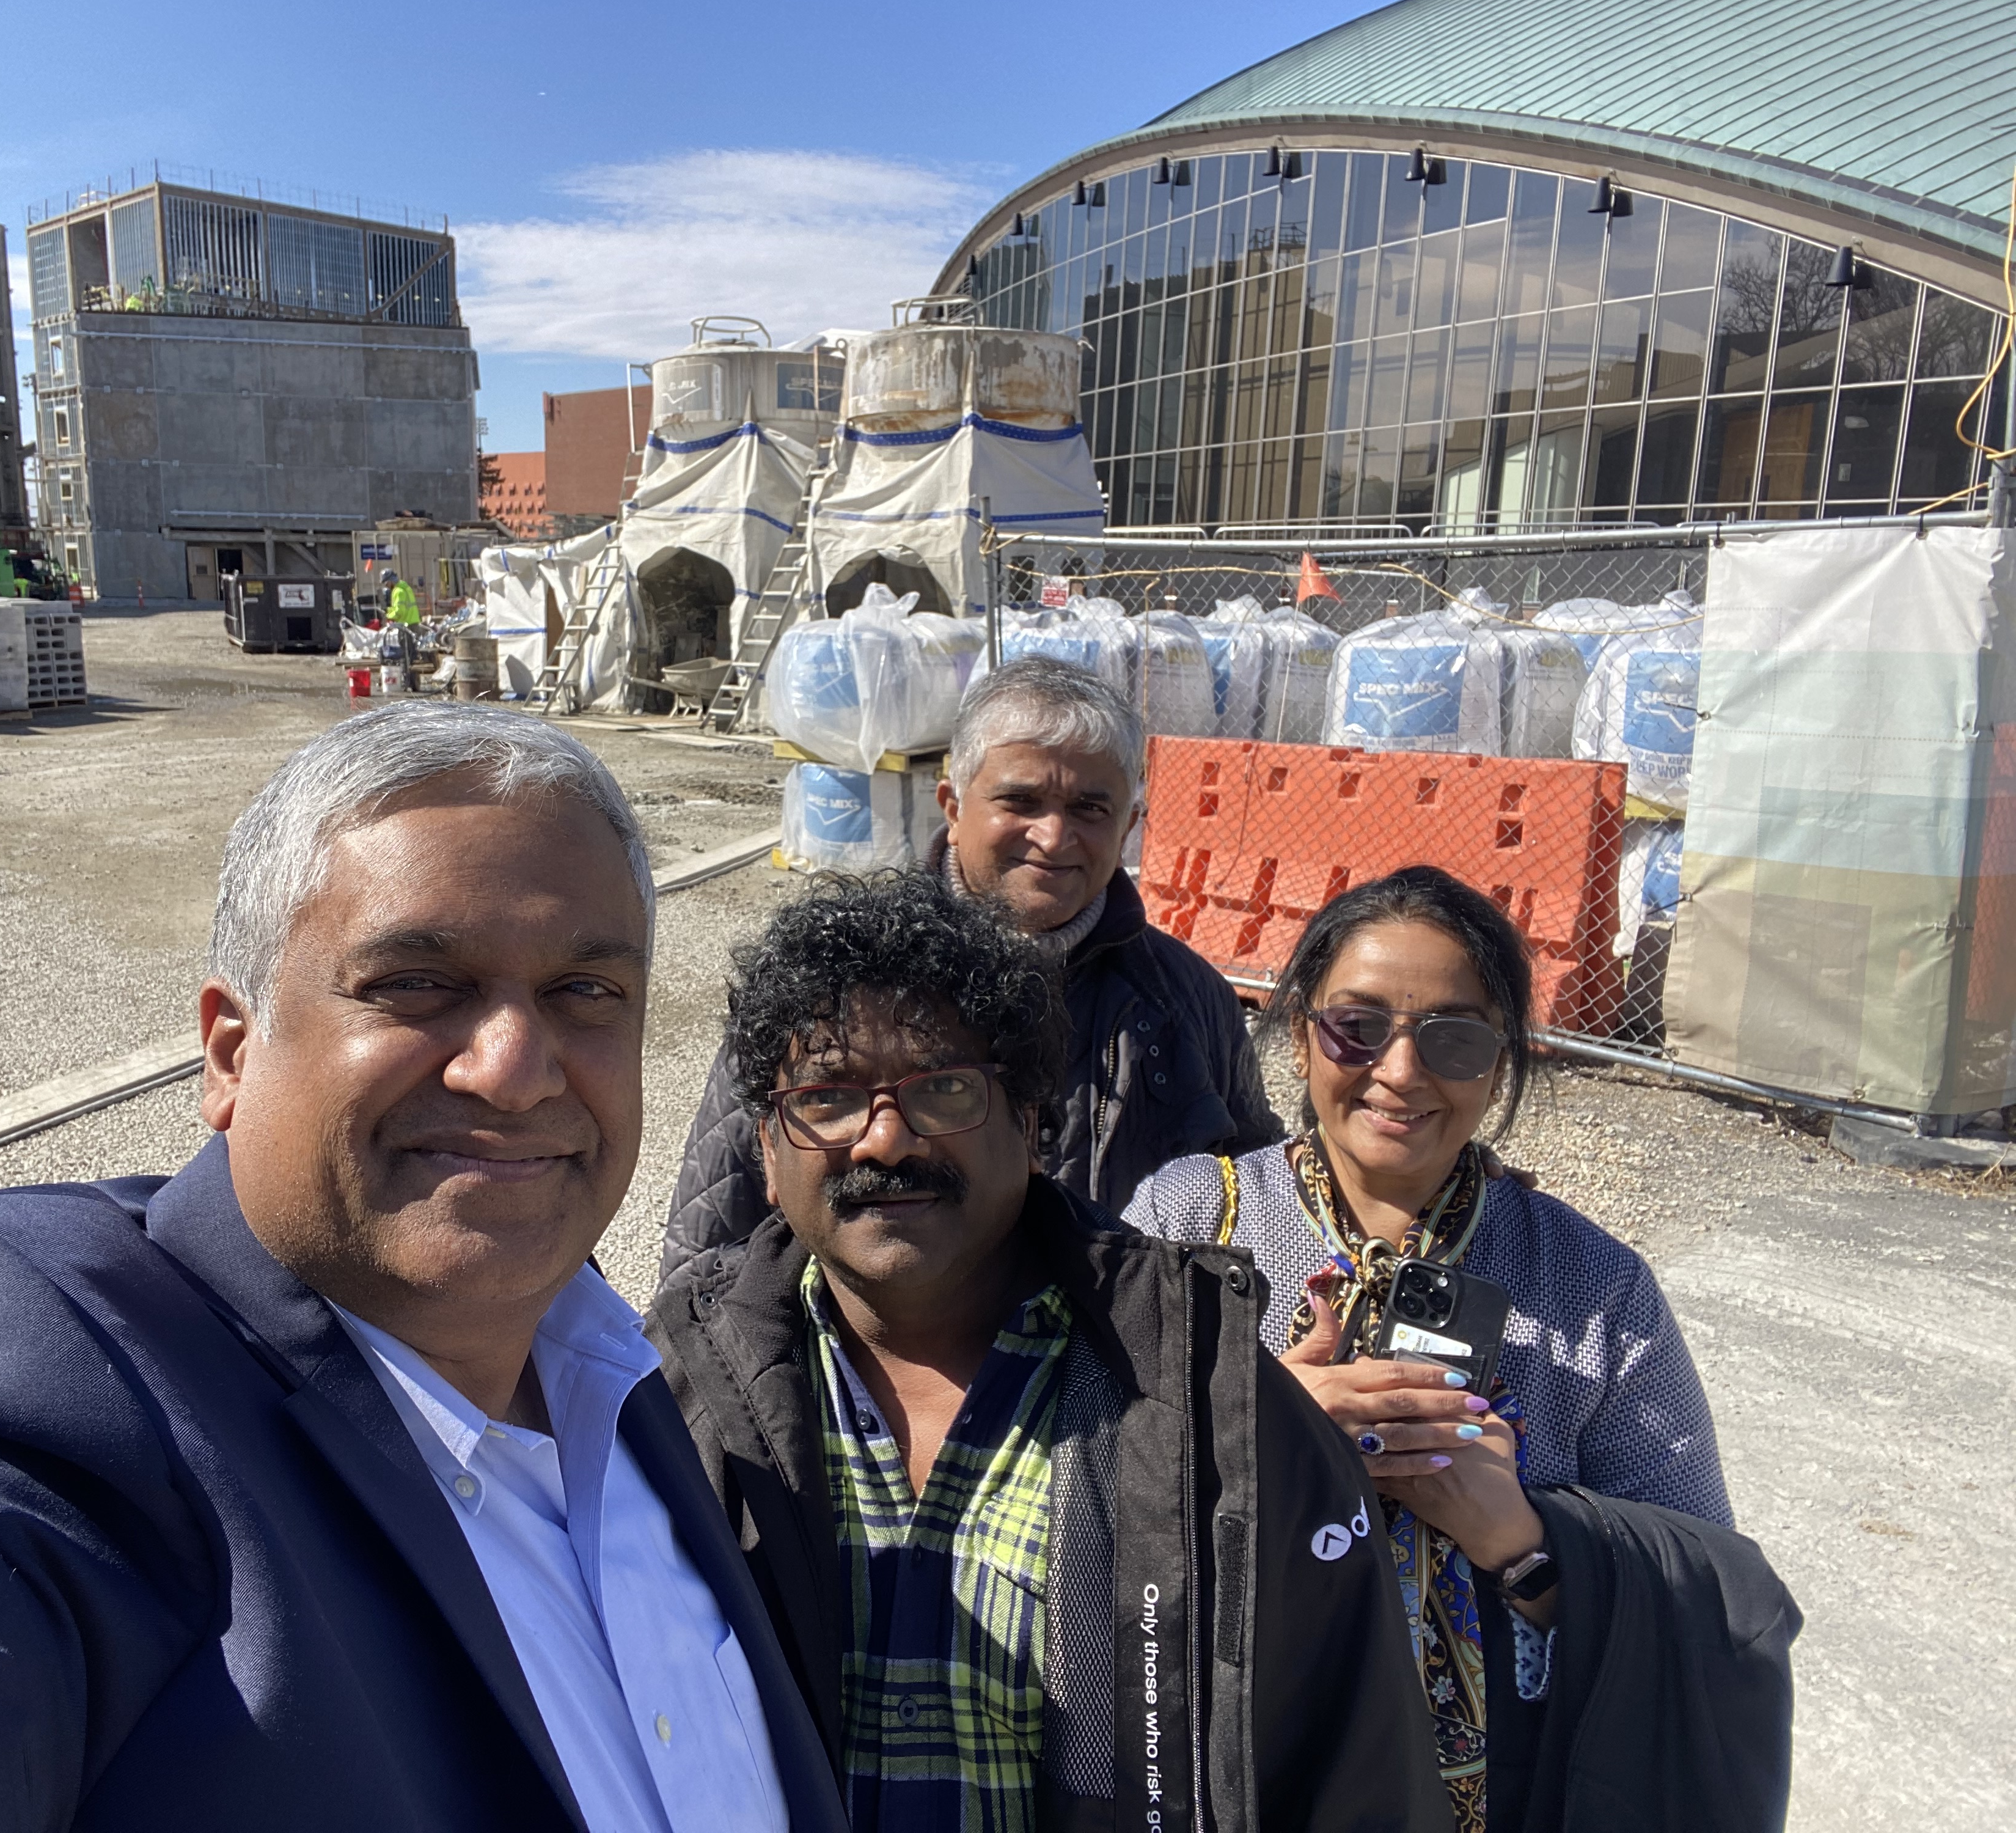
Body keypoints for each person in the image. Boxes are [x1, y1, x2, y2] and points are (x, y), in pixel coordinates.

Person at [0, 704, 847, 1833]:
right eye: (413, 984)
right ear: (230, 1053)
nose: (513, 1066)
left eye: (583, 992)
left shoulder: (609, 1368)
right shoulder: (62, 1399)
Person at [650, 869, 1452, 1833]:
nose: (886, 1139)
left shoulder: (1206, 1403)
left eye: (944, 1088)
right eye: (827, 1098)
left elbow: (1358, 1775)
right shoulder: (670, 1397)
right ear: (768, 1155)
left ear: (1031, 1125)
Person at [1123, 866, 1798, 1832]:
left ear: (1503, 1060)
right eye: (1356, 1026)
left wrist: (1525, 1541)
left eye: (1453, 1037)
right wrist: (1260, 1424)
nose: (1400, 1072)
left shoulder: (1591, 1287)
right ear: (1300, 1028)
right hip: (1232, 1762)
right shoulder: (1187, 1219)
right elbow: (1072, 1473)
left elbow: (1709, 1595)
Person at [664, 658, 1279, 1279]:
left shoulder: (1188, 999)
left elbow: (1264, 1203)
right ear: (953, 808)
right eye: (1021, 800)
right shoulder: (827, 980)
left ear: (1129, 828)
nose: (1054, 835)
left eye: (1091, 808)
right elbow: (710, 1246)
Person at [386, 571, 422, 690]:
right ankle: (412, 682)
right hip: (413, 623)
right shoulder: (406, 587)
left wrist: (389, 615)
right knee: (412, 653)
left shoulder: (398, 591)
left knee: (405, 654)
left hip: (406, 626)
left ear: (391, 581)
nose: (387, 586)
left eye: (387, 583)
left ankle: (407, 682)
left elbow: (399, 612)